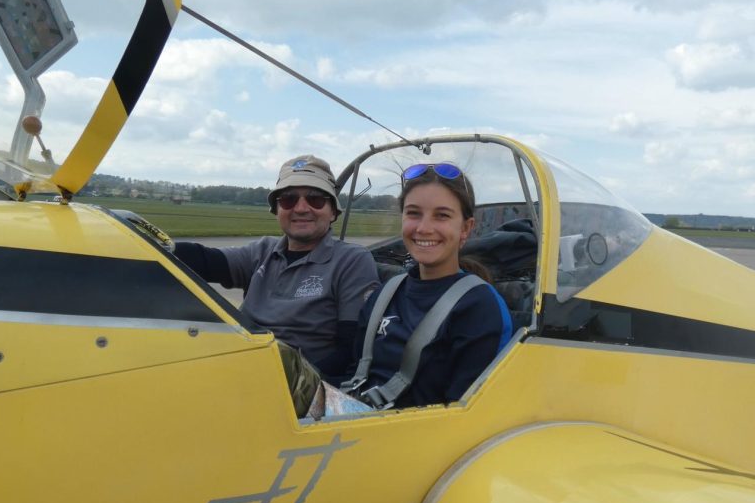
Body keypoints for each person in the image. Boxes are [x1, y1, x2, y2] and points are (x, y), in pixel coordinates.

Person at [294, 162, 512, 418]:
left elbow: (466, 415)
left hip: (413, 434)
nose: (423, 228)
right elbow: (354, 370)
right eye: (413, 214)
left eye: (442, 215)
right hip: (351, 415)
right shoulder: (387, 293)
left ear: (465, 228)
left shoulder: (479, 307)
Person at [171, 155, 380, 380]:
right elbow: (203, 260)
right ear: (277, 210)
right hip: (236, 364)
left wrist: (292, 381)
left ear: (332, 211)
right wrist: (153, 245)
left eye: (316, 199)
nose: (301, 208)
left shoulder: (351, 260)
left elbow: (351, 349)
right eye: (289, 200)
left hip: (296, 384)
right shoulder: (263, 251)